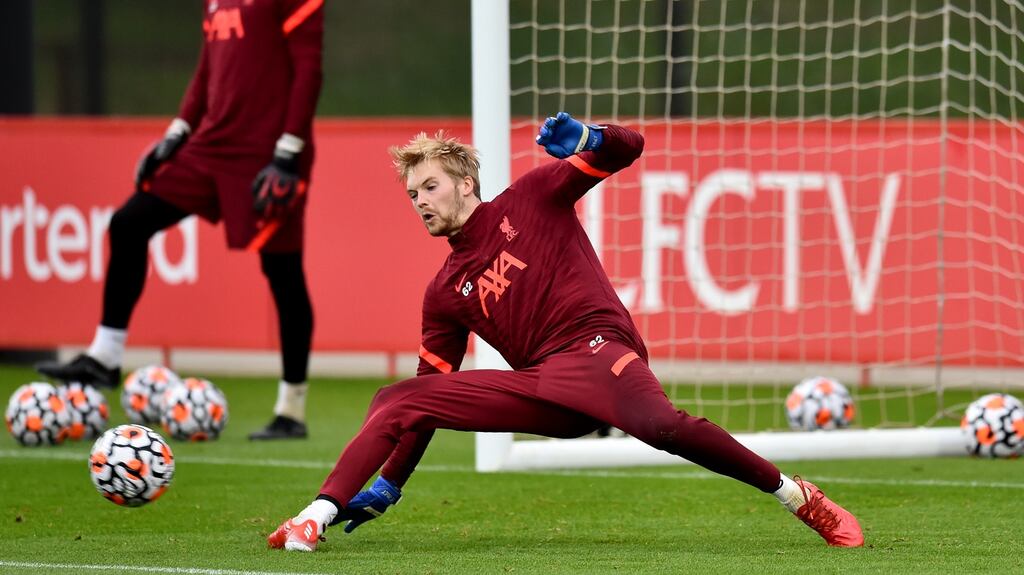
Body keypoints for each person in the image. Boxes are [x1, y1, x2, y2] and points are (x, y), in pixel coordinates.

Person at [266, 112, 865, 551]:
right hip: (544, 389)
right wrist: (390, 482)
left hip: (598, 352)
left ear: (465, 184)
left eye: (430, 187)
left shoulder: (530, 197)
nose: (420, 201)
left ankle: (797, 497)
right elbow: (430, 399)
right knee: (397, 398)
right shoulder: (444, 292)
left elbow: (630, 147)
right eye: (412, 194)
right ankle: (314, 517)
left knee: (662, 427)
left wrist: (588, 140)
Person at [36, 0, 323, 440]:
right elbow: (208, 69)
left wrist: (288, 152)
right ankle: (105, 357)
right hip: (211, 145)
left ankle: (292, 410)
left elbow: (308, 69)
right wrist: (177, 132)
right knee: (128, 223)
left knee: (282, 271)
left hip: (268, 152)